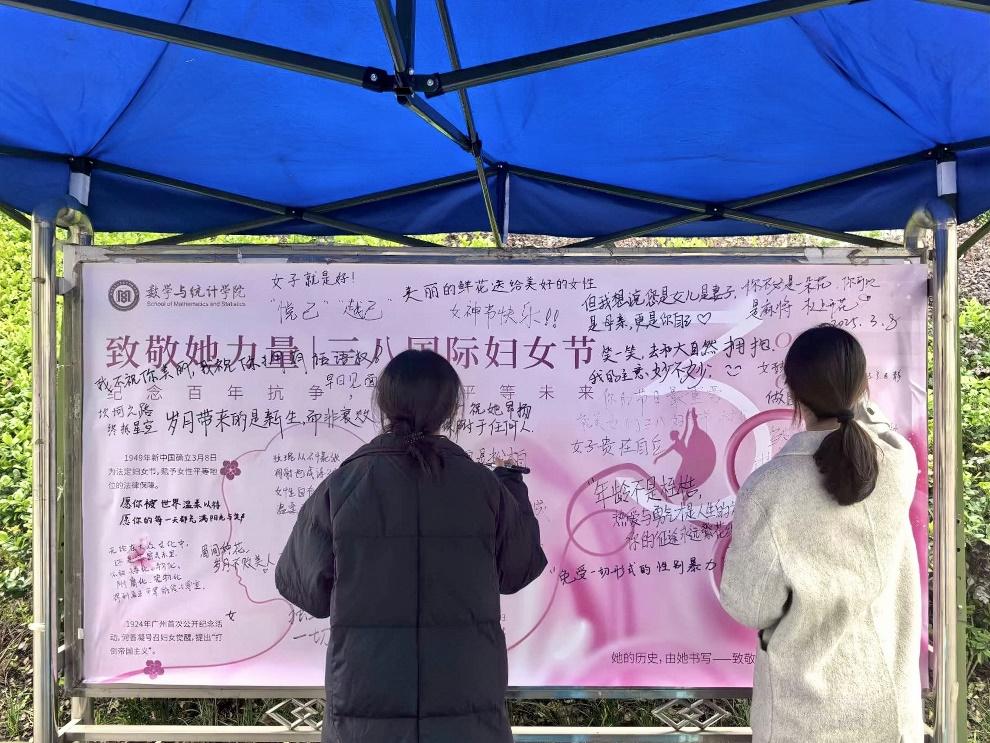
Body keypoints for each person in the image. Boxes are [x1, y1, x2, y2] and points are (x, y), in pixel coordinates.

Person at [275, 349, 547, 743]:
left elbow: (305, 591)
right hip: (465, 696)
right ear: (449, 408)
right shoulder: (484, 487)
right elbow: (518, 570)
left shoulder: (343, 485)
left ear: (385, 404)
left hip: (366, 699)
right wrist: (512, 487)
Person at [719, 325, 923, 743]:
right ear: (863, 387)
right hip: (890, 714)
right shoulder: (898, 464)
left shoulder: (769, 488)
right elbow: (876, 427)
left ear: (793, 394)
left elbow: (750, 606)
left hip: (802, 718)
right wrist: (856, 400)